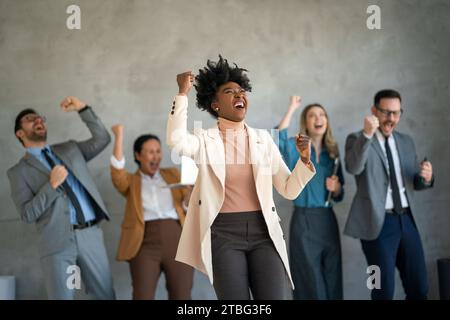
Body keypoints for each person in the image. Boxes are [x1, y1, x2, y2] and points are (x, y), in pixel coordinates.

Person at [166, 56, 316, 300]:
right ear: (215, 104)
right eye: (229, 91)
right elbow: (176, 140)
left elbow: (288, 189)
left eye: (241, 91)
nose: (239, 95)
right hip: (222, 235)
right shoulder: (204, 139)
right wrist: (182, 93)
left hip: (264, 232)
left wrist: (304, 161)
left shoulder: (263, 140)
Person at [7, 96, 115, 299]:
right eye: (31, 118)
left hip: (90, 235)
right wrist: (52, 185)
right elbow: (27, 214)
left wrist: (83, 109)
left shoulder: (70, 149)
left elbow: (102, 138)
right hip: (56, 242)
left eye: (40, 118)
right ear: (20, 133)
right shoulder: (17, 172)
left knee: (106, 296)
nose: (38, 120)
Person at [344, 89, 434, 300]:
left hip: (407, 221)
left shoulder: (406, 141)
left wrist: (426, 177)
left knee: (420, 287)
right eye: (385, 112)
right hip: (376, 225)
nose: (391, 119)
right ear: (374, 111)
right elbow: (353, 167)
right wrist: (367, 135)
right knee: (381, 290)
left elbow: (415, 183)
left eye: (396, 113)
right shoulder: (356, 138)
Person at [110, 124, 194, 299]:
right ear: (138, 156)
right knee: (143, 295)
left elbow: (187, 207)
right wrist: (119, 136)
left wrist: (190, 194)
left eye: (158, 151)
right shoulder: (131, 181)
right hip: (143, 242)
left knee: (182, 295)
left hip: (177, 239)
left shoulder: (172, 174)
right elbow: (117, 172)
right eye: (150, 152)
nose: (155, 156)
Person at [276, 96, 344, 299]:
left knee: (333, 278)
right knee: (310, 282)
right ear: (305, 122)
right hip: (304, 222)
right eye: (312, 115)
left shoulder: (332, 154)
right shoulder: (295, 148)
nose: (318, 118)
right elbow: (277, 138)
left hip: (328, 220)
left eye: (322, 114)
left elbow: (340, 195)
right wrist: (292, 108)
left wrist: (337, 188)